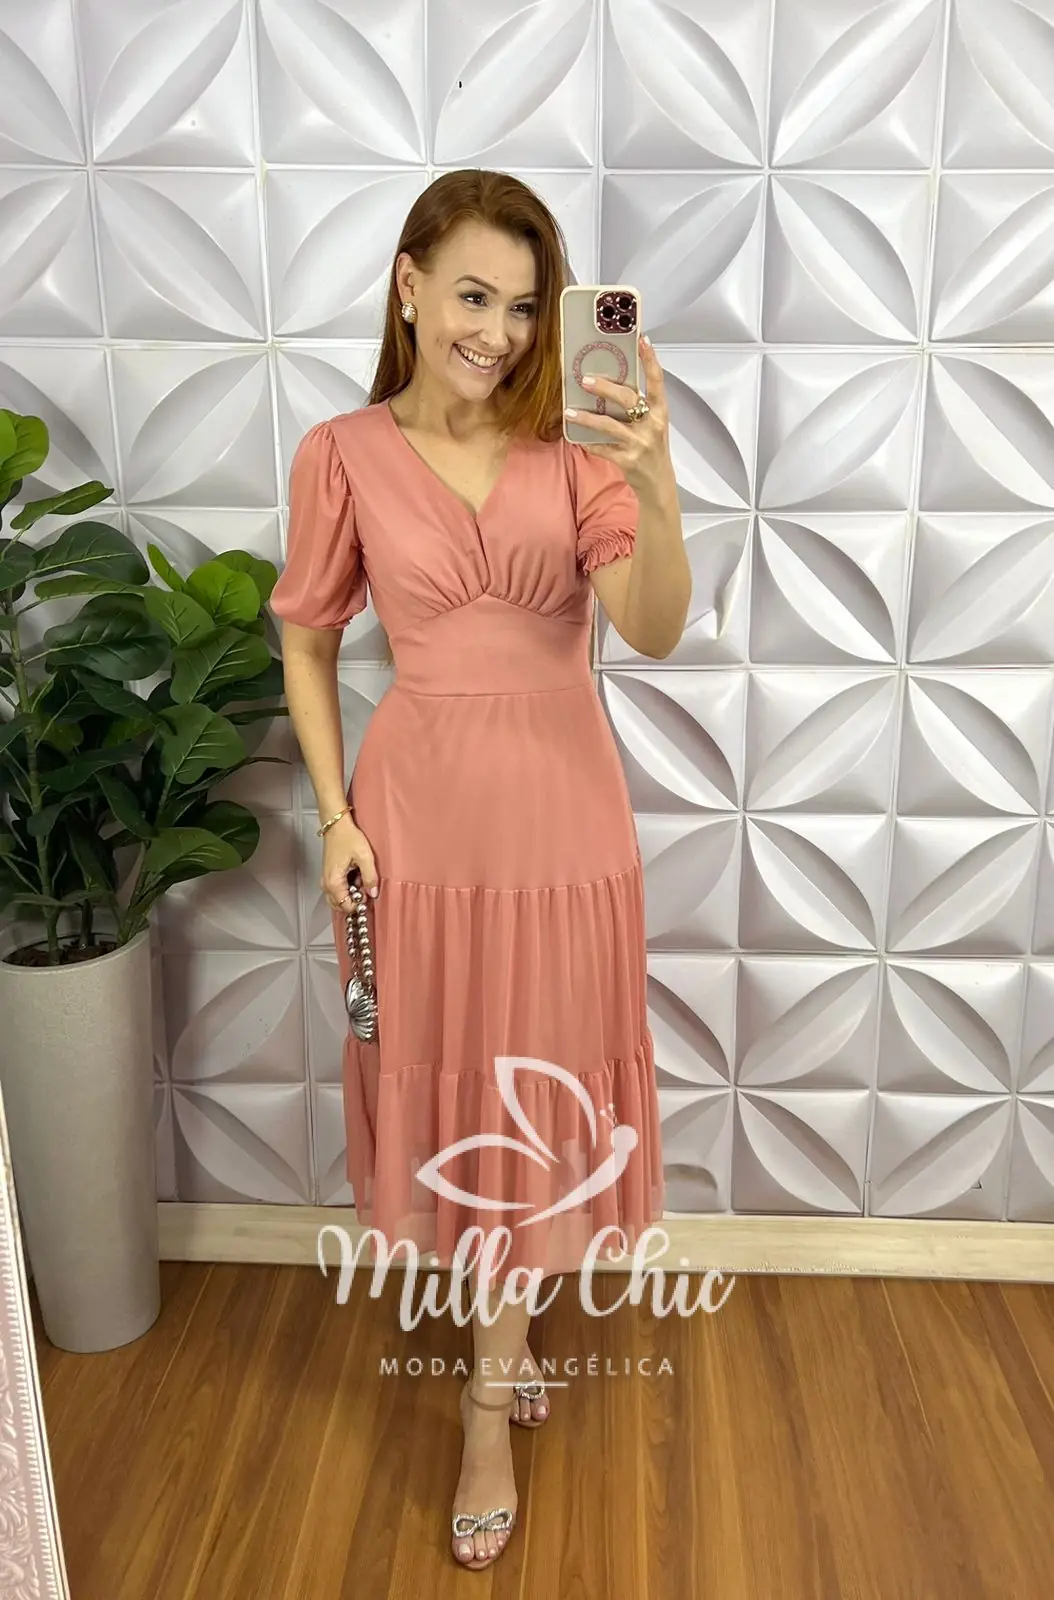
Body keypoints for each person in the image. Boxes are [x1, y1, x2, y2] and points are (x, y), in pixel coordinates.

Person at [269, 168, 691, 1571]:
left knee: (540, 1077)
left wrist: (654, 478)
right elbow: (308, 640)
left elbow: (653, 627)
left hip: (564, 827)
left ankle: (483, 1406)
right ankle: (500, 1359)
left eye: (523, 307)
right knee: (455, 1076)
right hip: (420, 826)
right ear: (407, 286)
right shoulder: (340, 453)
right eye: (471, 296)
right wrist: (334, 817)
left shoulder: (574, 448)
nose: (499, 334)